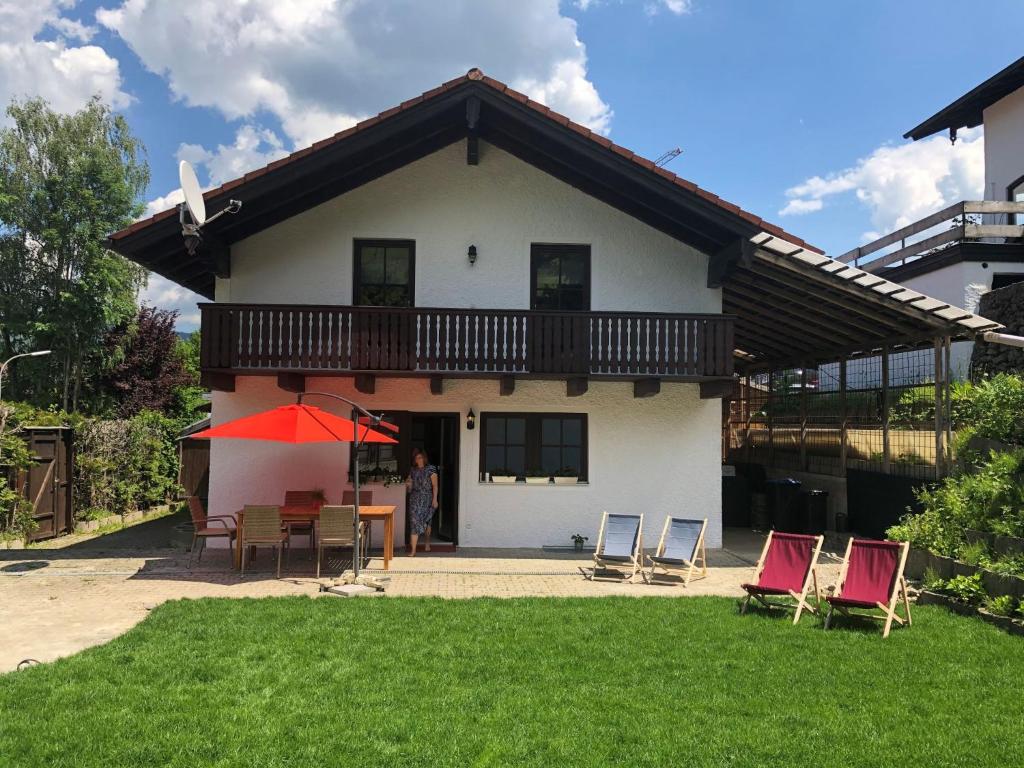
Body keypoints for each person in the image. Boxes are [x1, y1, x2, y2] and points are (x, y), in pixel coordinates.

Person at [405, 448, 438, 556]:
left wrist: (434, 499)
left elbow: (435, 486)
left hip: (427, 498)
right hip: (414, 499)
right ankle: (413, 551)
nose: (417, 460)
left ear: (424, 458)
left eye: (419, 457)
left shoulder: (431, 469)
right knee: (414, 522)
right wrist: (408, 485)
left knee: (427, 521)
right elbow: (409, 489)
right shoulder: (412, 470)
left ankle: (427, 542)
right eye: (416, 458)